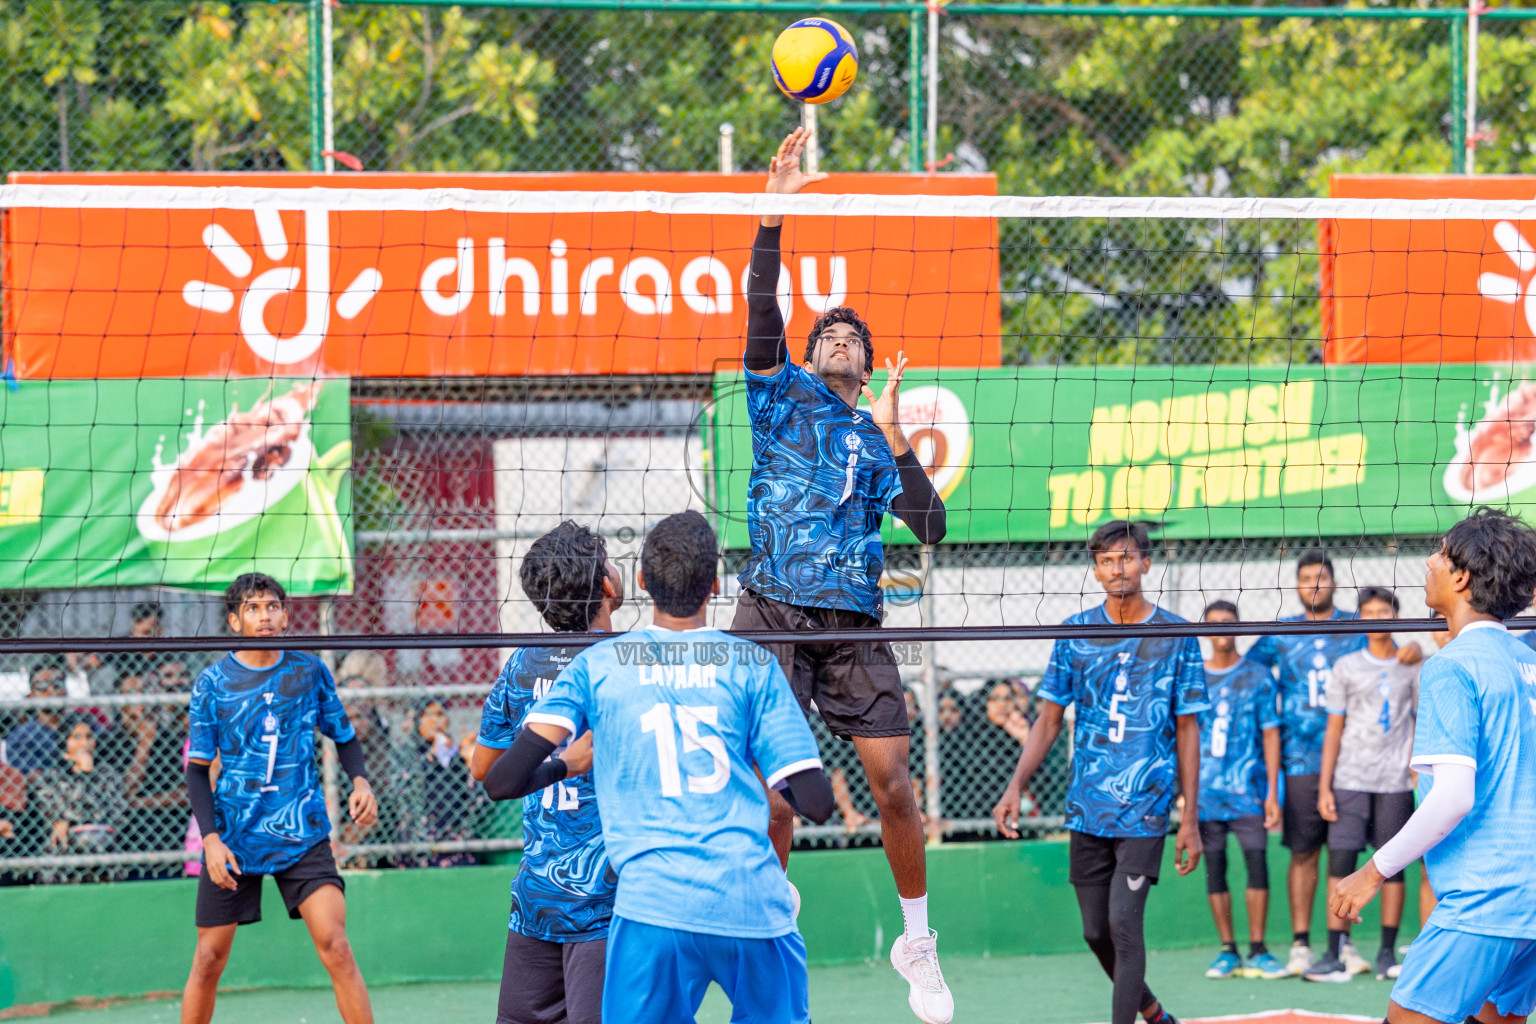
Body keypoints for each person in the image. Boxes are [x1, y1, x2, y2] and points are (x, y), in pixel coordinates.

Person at [732, 125, 952, 1024]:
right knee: (771, 791)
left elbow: (931, 525)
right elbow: (760, 297)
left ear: (868, 364)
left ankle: (918, 940)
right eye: (829, 328)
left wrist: (897, 433)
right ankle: (765, 923)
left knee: (894, 782)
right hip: (772, 609)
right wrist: (776, 203)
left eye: (853, 335)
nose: (840, 335)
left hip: (853, 622)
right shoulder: (775, 390)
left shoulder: (876, 435)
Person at [485, 510, 835, 1024]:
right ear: (715, 584)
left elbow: (502, 779)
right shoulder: (752, 664)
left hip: (651, 905)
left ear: (643, 582)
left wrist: (567, 765)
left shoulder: (599, 665)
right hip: (746, 897)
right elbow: (819, 805)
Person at [993, 520, 1207, 1024]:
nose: (1118, 568)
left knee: (1123, 927)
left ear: (1146, 563)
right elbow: (1047, 719)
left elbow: (1189, 729)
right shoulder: (1076, 633)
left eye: (1127, 557)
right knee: (1095, 932)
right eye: (1107, 560)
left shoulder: (1176, 635)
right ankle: (1154, 1014)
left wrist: (1190, 819)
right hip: (1087, 804)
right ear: (1095, 570)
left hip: (1146, 805)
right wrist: (1014, 786)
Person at [1332, 508, 1536, 1024]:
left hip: (1484, 899)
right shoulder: (1528, 663)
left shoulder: (1452, 665)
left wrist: (1372, 872)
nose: (1429, 561)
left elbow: (1452, 797)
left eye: (1441, 554)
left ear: (1462, 576)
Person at [181, 573, 379, 1024]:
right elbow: (196, 770)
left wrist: (361, 783)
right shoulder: (212, 683)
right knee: (209, 960)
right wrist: (210, 839)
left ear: (286, 614)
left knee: (335, 946)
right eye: (252, 607)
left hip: (301, 834)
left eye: (272, 605)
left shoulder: (308, 672)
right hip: (234, 838)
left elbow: (345, 738)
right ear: (235, 620)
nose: (264, 615)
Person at [470, 520, 623, 1024]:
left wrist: (547, 760)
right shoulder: (627, 662)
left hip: (537, 894)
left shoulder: (521, 664)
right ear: (606, 585)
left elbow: (484, 768)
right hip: (607, 898)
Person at [1247, 550, 1421, 976]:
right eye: (1306, 578)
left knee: (1356, 855)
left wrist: (1415, 646)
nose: (1314, 585)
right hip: (1302, 757)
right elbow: (1245, 670)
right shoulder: (1280, 633)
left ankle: (1355, 948)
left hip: (1363, 764)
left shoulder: (1357, 623)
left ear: (1334, 584)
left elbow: (1391, 656)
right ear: (1296, 585)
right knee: (1305, 852)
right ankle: (1304, 945)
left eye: (1321, 577)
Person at [1306, 586, 1420, 984]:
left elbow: (1420, 722)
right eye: (1368, 612)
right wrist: (1325, 787)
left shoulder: (1412, 663)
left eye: (1383, 611)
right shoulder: (1347, 667)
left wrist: (1416, 774)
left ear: (1395, 616)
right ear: (1360, 619)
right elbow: (1333, 729)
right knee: (1340, 863)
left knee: (1392, 865)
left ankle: (1387, 954)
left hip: (1394, 782)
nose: (1376, 618)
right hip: (1349, 779)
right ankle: (1334, 953)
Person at [1195, 601, 1285, 981]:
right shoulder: (1194, 678)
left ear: (1238, 627)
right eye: (1213, 624)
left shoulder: (1259, 677)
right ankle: (1228, 950)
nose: (1221, 630)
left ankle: (1259, 949)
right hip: (1204, 793)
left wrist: (1271, 794)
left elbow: (1270, 733)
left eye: (1227, 623)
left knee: (1256, 865)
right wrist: (1184, 793)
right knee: (1215, 869)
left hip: (1248, 791)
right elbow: (1182, 736)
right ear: (1203, 630)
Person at [33, 714, 127, 882]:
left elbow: (116, 816)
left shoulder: (108, 773)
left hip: (102, 848)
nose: (84, 743)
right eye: (77, 737)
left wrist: (68, 820)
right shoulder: (49, 777)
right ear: (65, 742)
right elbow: (51, 817)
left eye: (89, 737)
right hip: (64, 850)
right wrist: (84, 775)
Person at [388, 698, 478, 868]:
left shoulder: (456, 754)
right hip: (416, 839)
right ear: (417, 722)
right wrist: (431, 757)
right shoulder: (405, 754)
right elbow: (402, 792)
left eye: (440, 714)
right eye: (428, 715)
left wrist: (471, 764)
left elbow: (475, 799)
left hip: (455, 839)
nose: (435, 720)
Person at [4, 657, 68, 776]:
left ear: (65, 689)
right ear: (32, 694)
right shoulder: (20, 737)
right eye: (43, 684)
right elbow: (35, 778)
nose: (51, 689)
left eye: (57, 683)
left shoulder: (83, 724)